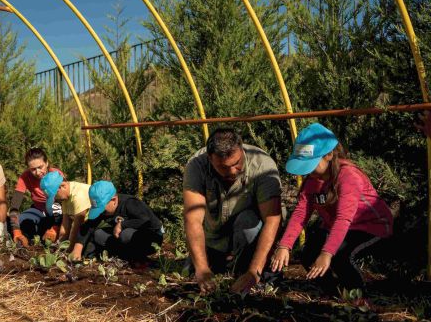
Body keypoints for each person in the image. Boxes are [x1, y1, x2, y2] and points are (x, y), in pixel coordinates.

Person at [270, 123, 393, 289]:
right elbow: (300, 213)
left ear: (328, 154)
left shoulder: (348, 176)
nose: (308, 171)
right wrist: (284, 245)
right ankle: (333, 292)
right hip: (336, 226)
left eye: (311, 163)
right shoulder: (312, 181)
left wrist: (327, 253)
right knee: (308, 256)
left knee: (340, 257)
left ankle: (357, 297)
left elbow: (343, 218)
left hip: (370, 226)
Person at [183, 128, 282, 294]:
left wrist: (254, 272)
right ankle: (223, 262)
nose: (231, 172)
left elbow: (272, 220)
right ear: (210, 159)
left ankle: (249, 268)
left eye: (236, 164)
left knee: (248, 221)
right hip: (215, 237)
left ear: (242, 150)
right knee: (193, 271)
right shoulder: (196, 165)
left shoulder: (262, 165)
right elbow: (192, 219)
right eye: (222, 167)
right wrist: (202, 268)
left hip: (249, 234)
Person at [70, 180, 163, 264]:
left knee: (125, 234)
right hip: (125, 240)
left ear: (113, 200)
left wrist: (122, 225)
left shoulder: (130, 203)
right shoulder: (106, 207)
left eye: (102, 209)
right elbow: (88, 226)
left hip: (152, 238)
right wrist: (77, 249)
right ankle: (123, 256)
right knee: (98, 234)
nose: (101, 213)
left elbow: (145, 221)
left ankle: (138, 259)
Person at [9, 148, 64, 246]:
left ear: (46, 163)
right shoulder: (25, 177)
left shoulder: (56, 174)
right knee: (21, 220)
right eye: (33, 169)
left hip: (57, 211)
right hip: (39, 210)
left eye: (40, 167)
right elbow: (15, 205)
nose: (38, 172)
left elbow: (63, 202)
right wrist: (16, 231)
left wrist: (55, 227)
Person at [39, 171, 91, 249]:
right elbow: (65, 224)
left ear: (63, 186)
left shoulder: (78, 196)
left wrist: (68, 249)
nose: (55, 198)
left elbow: (76, 227)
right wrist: (59, 244)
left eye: (55, 195)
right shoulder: (65, 197)